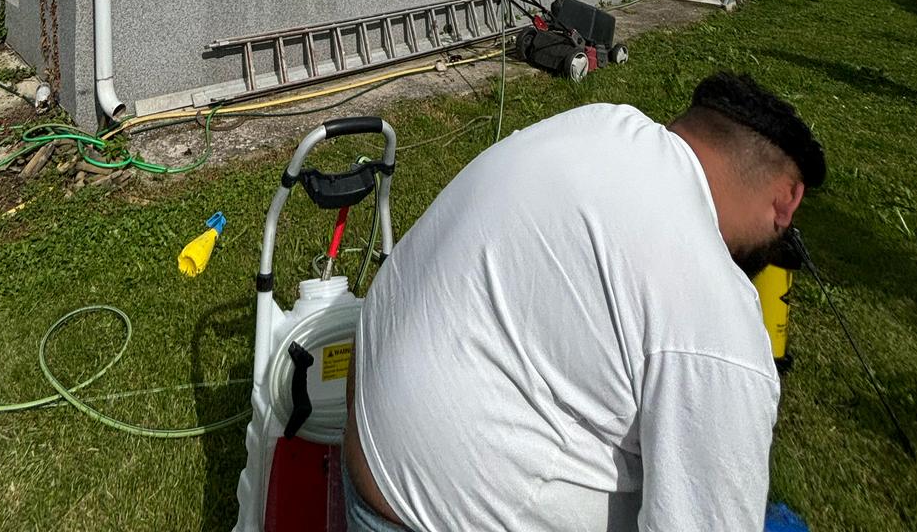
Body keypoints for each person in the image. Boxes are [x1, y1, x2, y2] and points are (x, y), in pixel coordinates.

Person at [344, 73, 825, 532]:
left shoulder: (598, 124)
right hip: (429, 510)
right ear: (788, 199)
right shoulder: (716, 316)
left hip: (367, 430)